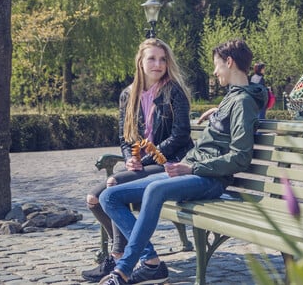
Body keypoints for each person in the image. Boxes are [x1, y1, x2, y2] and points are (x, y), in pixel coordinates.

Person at [98, 39, 267, 285]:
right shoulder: (234, 97)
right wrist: (217, 112)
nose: (214, 71)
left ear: (229, 62)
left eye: (217, 65)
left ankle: (123, 271)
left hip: (210, 179)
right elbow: (233, 114)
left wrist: (191, 167)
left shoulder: (242, 102)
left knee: (155, 189)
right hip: (192, 173)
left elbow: (240, 158)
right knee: (108, 197)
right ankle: (152, 263)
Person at [81, 38, 193, 283]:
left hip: (169, 163)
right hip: (142, 165)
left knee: (112, 186)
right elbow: (124, 137)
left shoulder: (174, 91)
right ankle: (128, 255)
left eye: (163, 59)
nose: (158, 64)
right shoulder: (127, 95)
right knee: (93, 199)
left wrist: (148, 153)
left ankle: (122, 256)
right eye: (152, 58)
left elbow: (181, 135)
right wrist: (129, 159)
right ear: (140, 62)